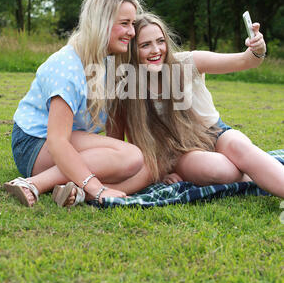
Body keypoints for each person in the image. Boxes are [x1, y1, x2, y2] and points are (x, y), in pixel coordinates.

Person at [107, 12, 284, 199]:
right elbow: (123, 144)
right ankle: (258, 171)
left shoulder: (188, 62)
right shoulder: (125, 85)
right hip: (179, 153)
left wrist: (257, 49)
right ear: (132, 50)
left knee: (241, 147)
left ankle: (261, 172)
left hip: (214, 133)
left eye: (160, 41)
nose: (156, 50)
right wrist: (160, 173)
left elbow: (245, 60)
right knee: (220, 171)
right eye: (145, 45)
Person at [4, 0, 145, 207]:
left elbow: (114, 133)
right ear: (102, 23)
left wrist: (116, 167)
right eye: (125, 24)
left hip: (69, 142)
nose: (132, 32)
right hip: (35, 145)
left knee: (144, 165)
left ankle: (78, 192)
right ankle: (33, 183)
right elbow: (58, 141)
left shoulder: (110, 62)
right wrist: (98, 187)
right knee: (132, 157)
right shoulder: (67, 66)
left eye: (133, 24)